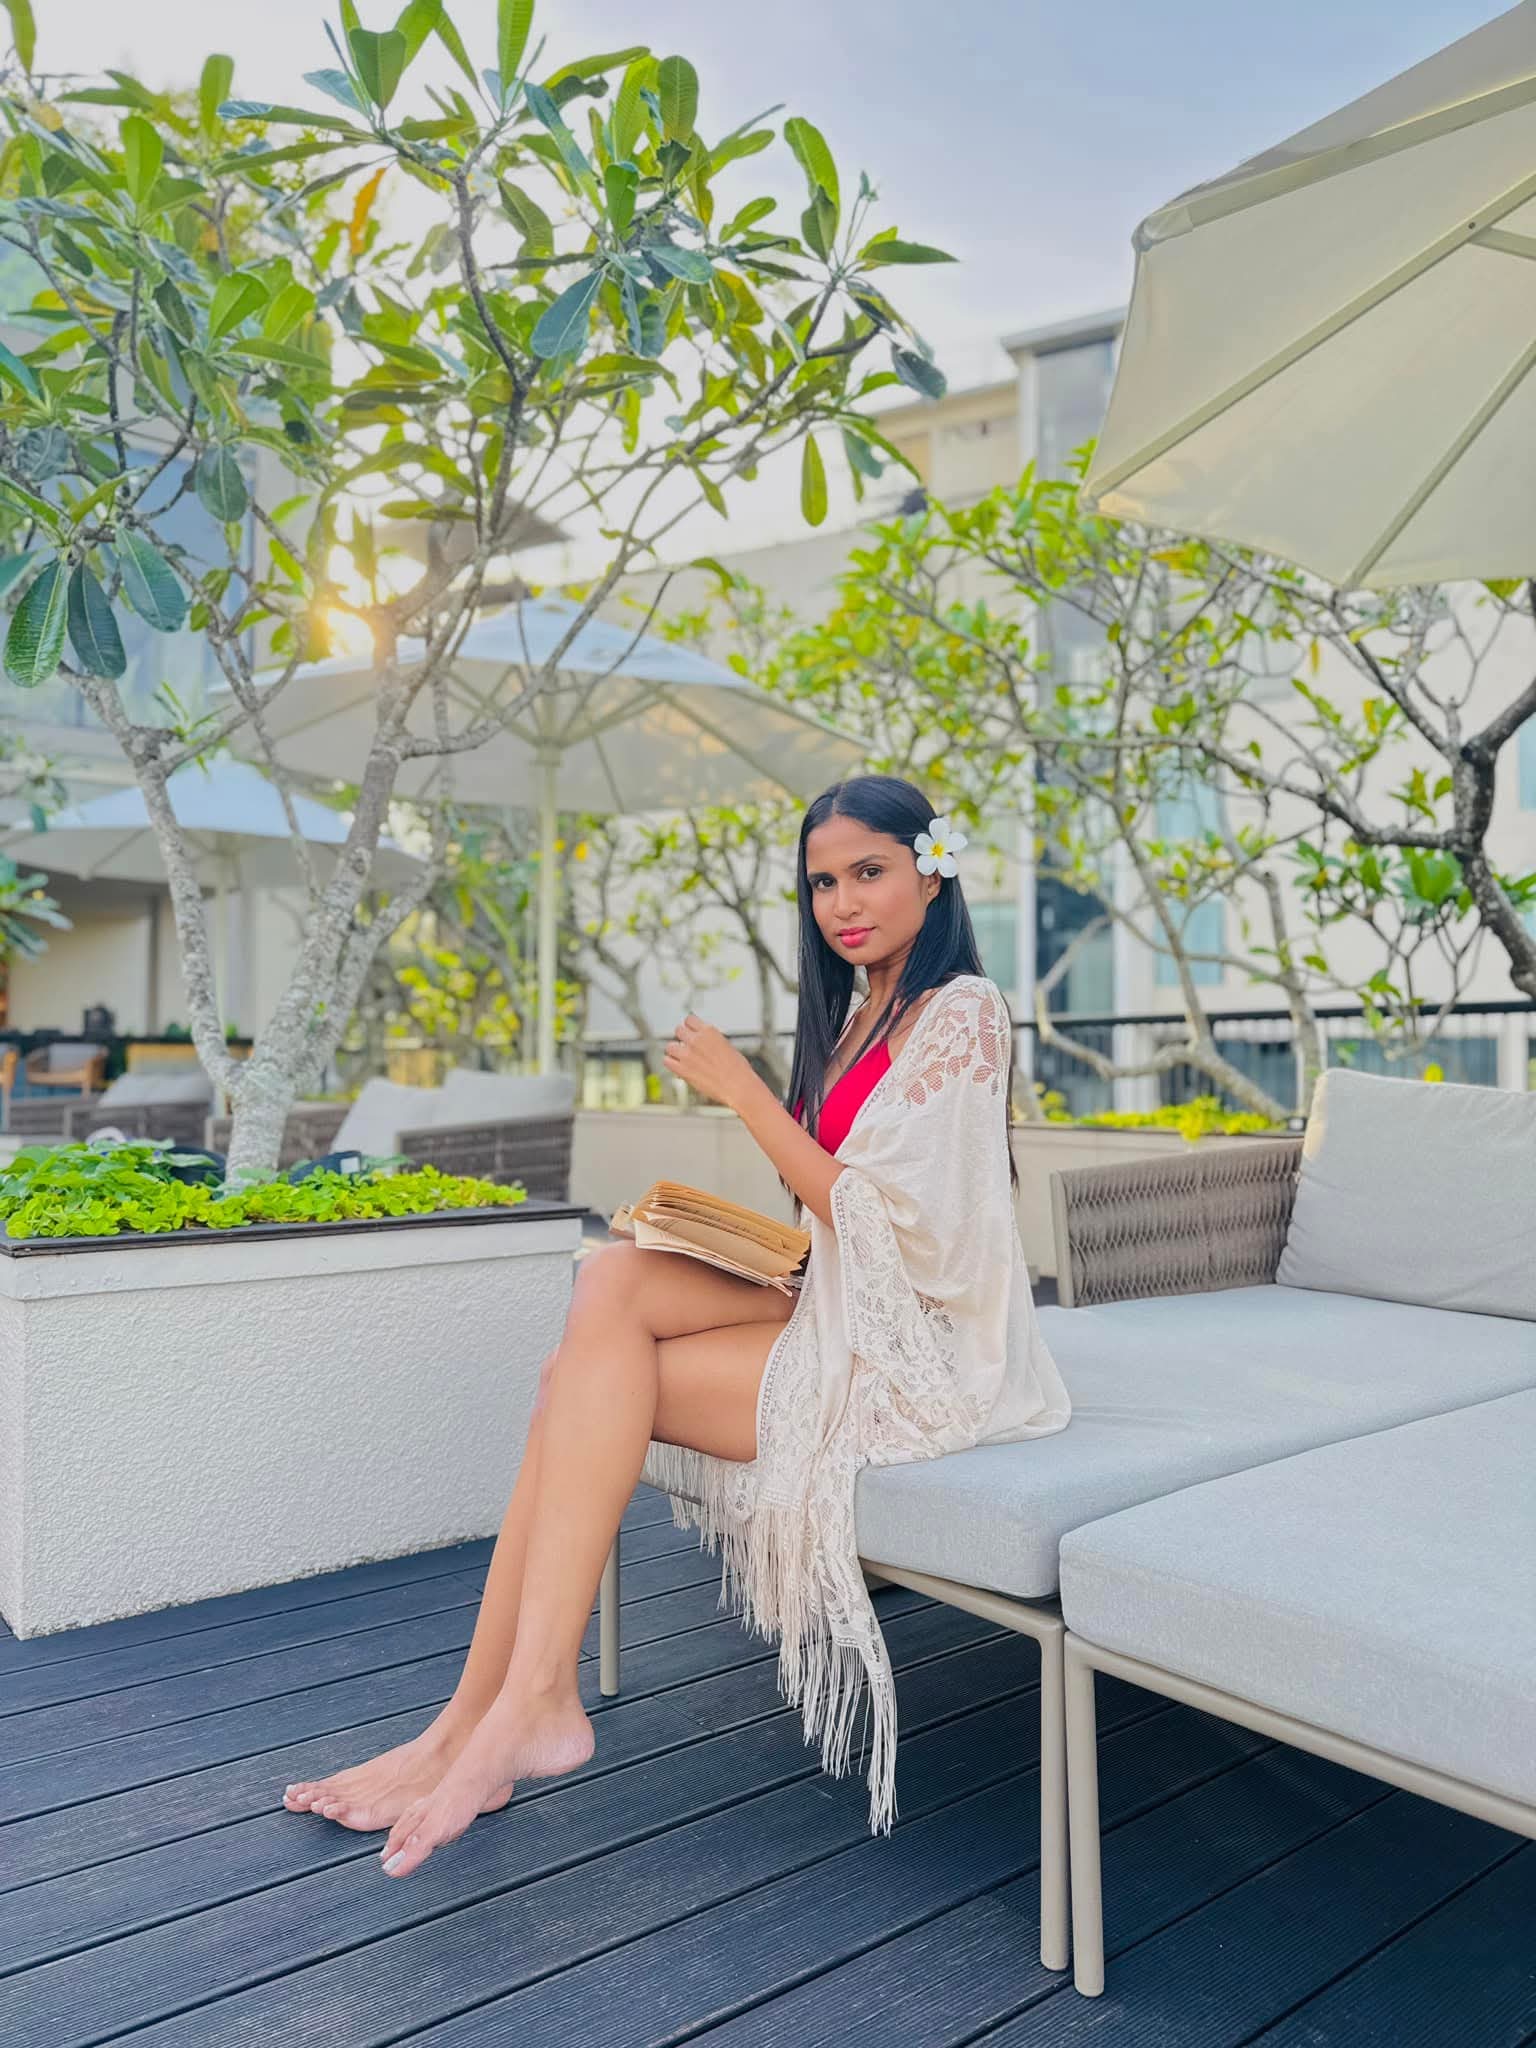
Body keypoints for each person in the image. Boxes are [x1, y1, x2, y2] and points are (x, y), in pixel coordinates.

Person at [282, 773, 1070, 1874]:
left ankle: (507, 1711)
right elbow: (832, 1212)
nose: (844, 903)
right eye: (823, 883)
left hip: (918, 1350)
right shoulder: (856, 1015)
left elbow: (902, 1228)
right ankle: (480, 1716)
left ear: (931, 875)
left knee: (575, 1387)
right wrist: (723, 1241)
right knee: (614, 1280)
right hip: (835, 1291)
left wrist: (745, 1093)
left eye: (870, 872)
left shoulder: (964, 1011)